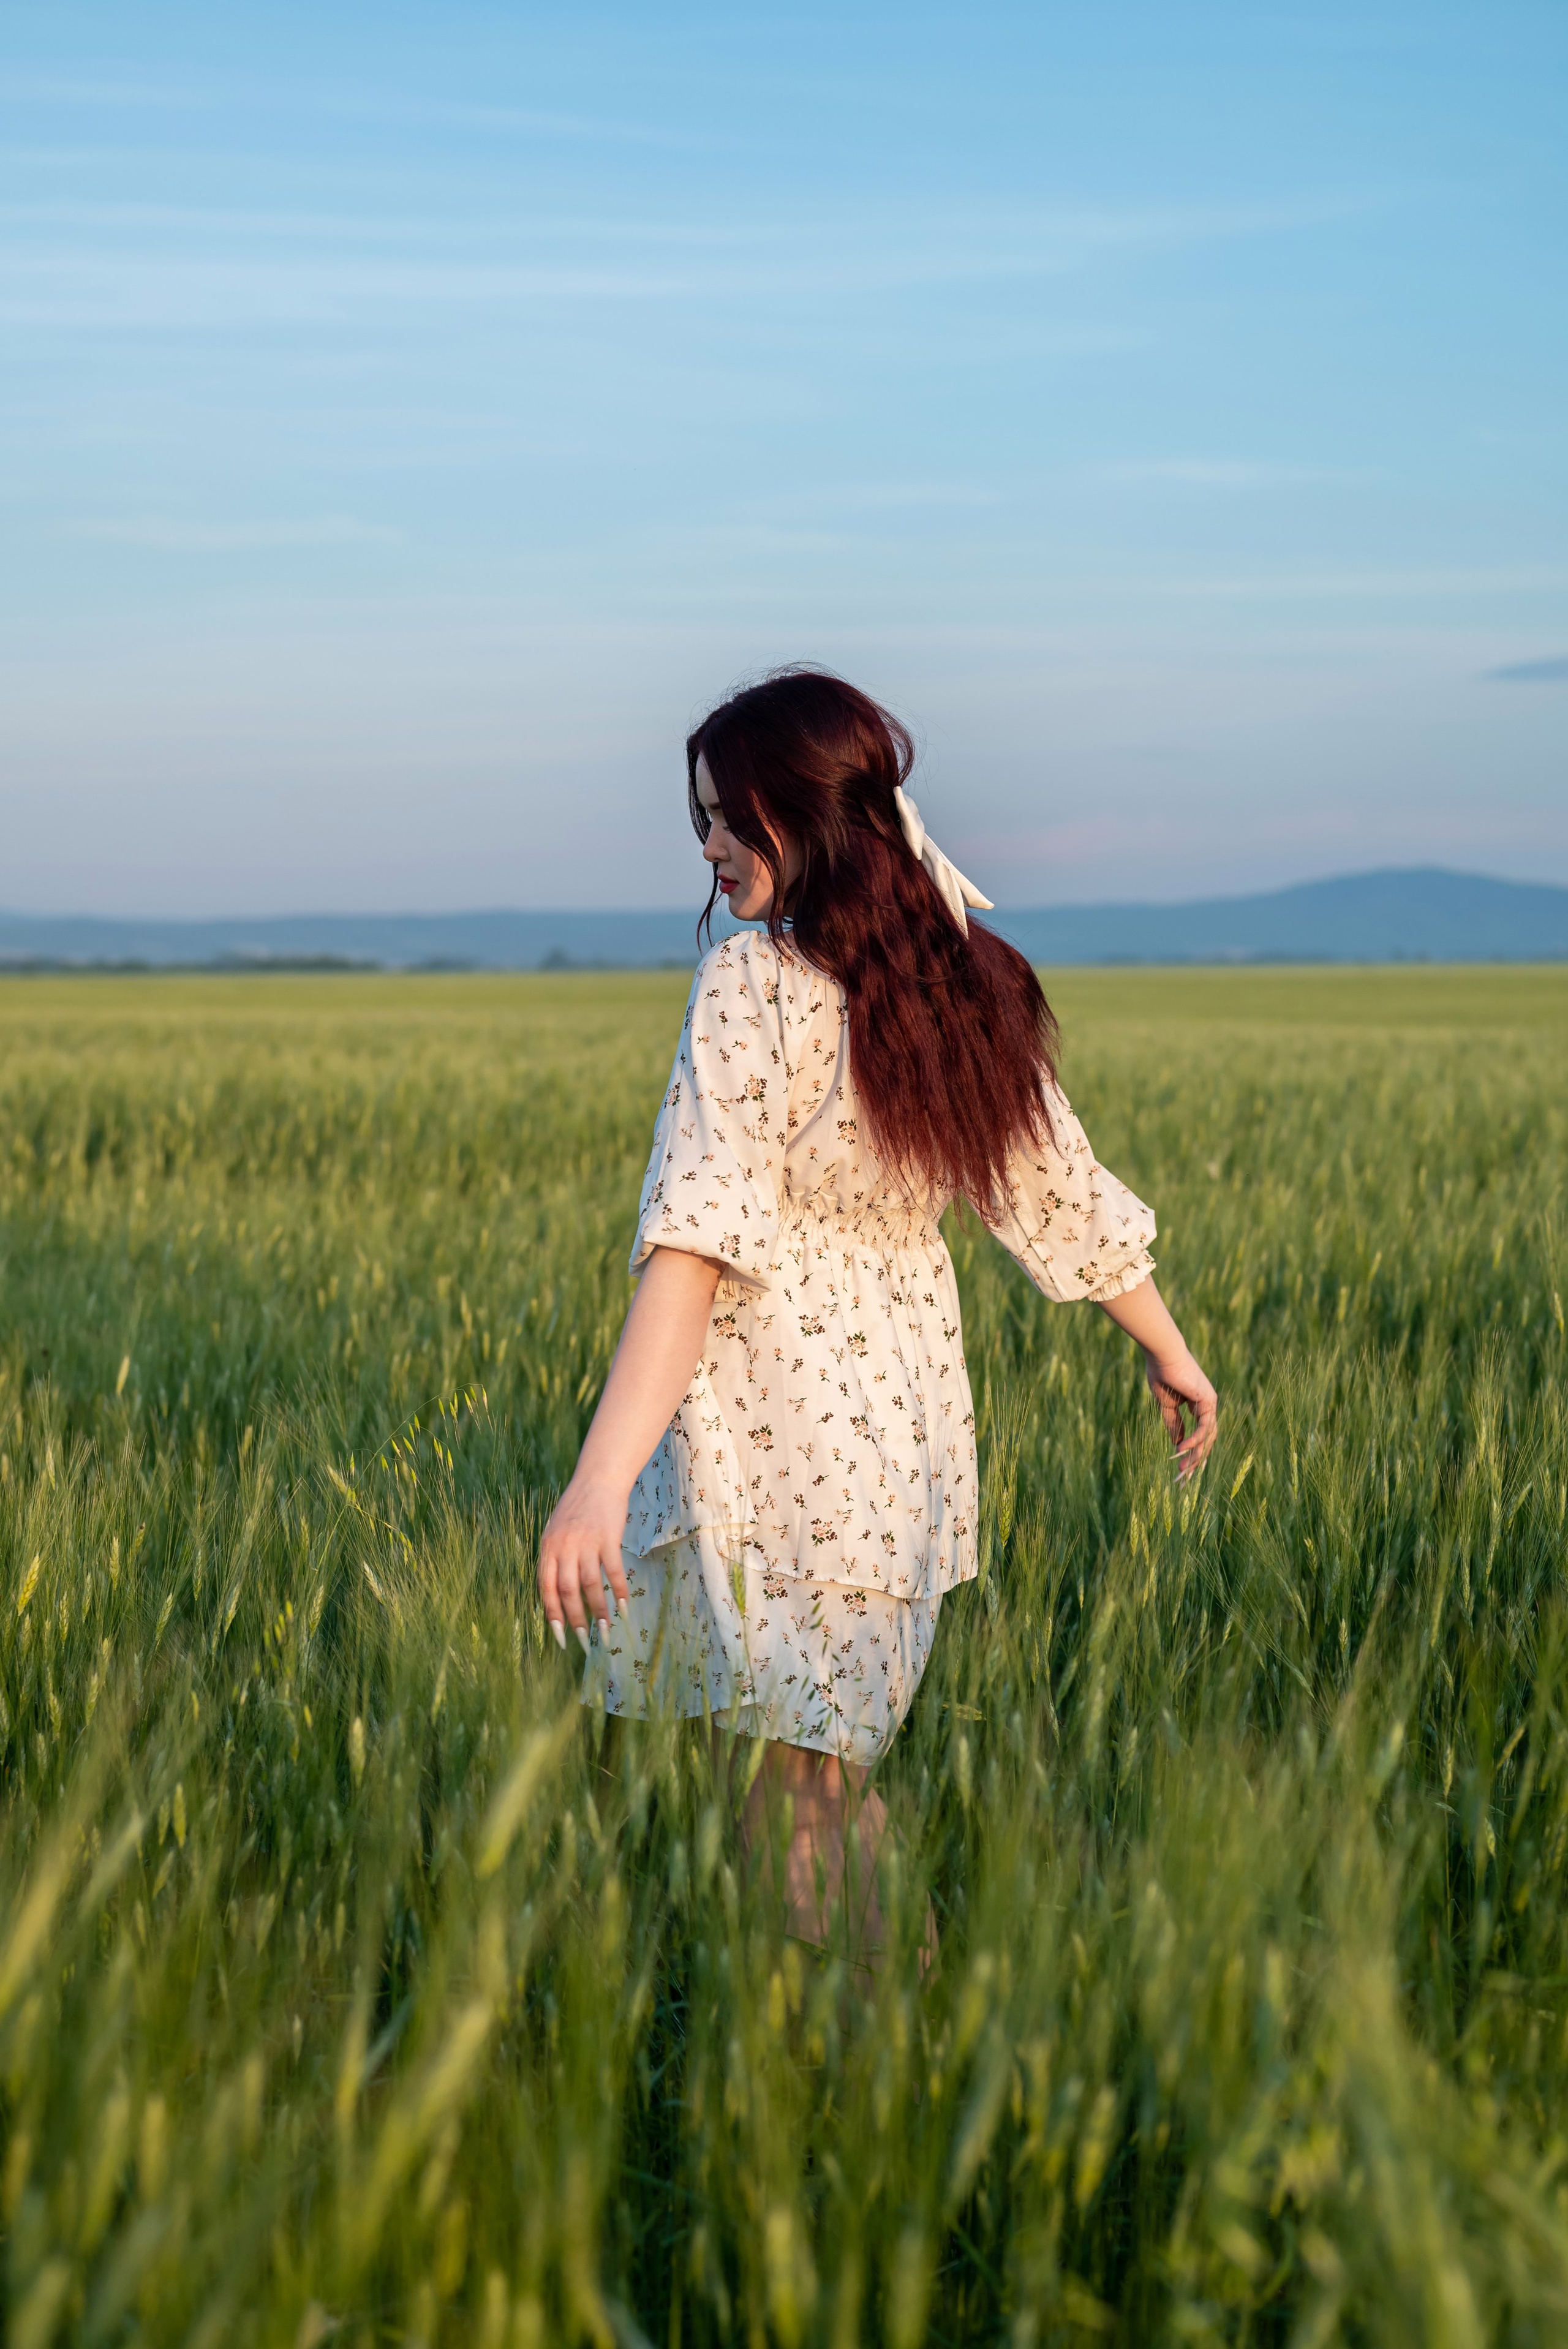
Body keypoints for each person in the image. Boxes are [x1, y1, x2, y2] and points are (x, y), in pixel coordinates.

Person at [537, 669, 1216, 1962]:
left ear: (801, 810)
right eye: (698, 818)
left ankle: (883, 2039)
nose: (707, 844)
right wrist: (1168, 1348)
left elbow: (694, 1251)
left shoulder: (751, 983)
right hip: (904, 1444)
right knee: (800, 1780)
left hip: (774, 1434)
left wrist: (597, 1485)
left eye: (728, 816)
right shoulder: (959, 981)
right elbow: (1056, 1192)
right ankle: (879, 2037)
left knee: (793, 1795)